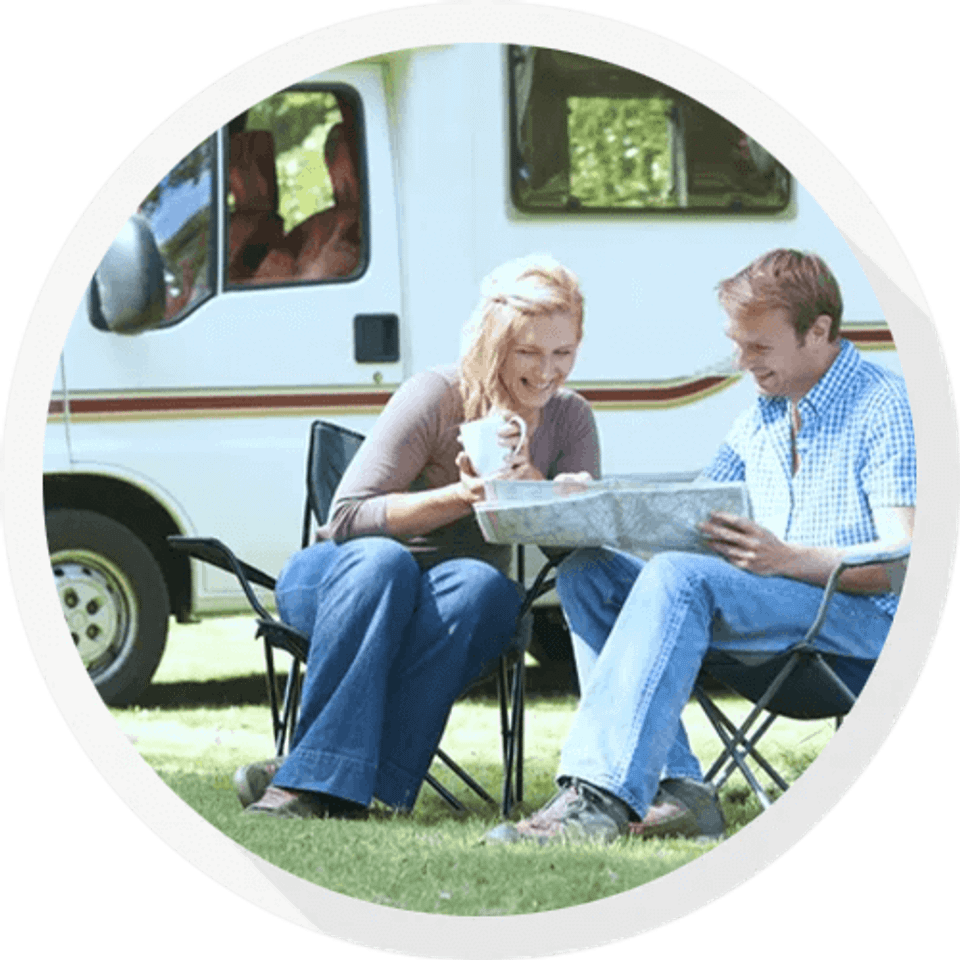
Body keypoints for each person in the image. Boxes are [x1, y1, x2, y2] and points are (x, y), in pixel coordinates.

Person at [485, 248, 916, 845]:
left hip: (857, 635)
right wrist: (582, 498)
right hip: (769, 616)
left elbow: (906, 561)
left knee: (681, 578)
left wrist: (785, 559)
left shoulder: (883, 404)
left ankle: (598, 798)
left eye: (758, 347)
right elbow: (683, 518)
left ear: (818, 332)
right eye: (737, 343)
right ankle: (677, 788)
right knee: (589, 574)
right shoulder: (761, 415)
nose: (741, 362)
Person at [234, 254, 601, 818]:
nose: (546, 371)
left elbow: (573, 554)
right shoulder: (435, 394)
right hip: (344, 579)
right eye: (527, 351)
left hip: (450, 605)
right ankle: (317, 777)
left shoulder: (570, 419)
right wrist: (460, 496)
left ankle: (321, 776)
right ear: (492, 340)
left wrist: (538, 492)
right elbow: (348, 517)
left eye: (563, 353)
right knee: (388, 565)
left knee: (482, 584)